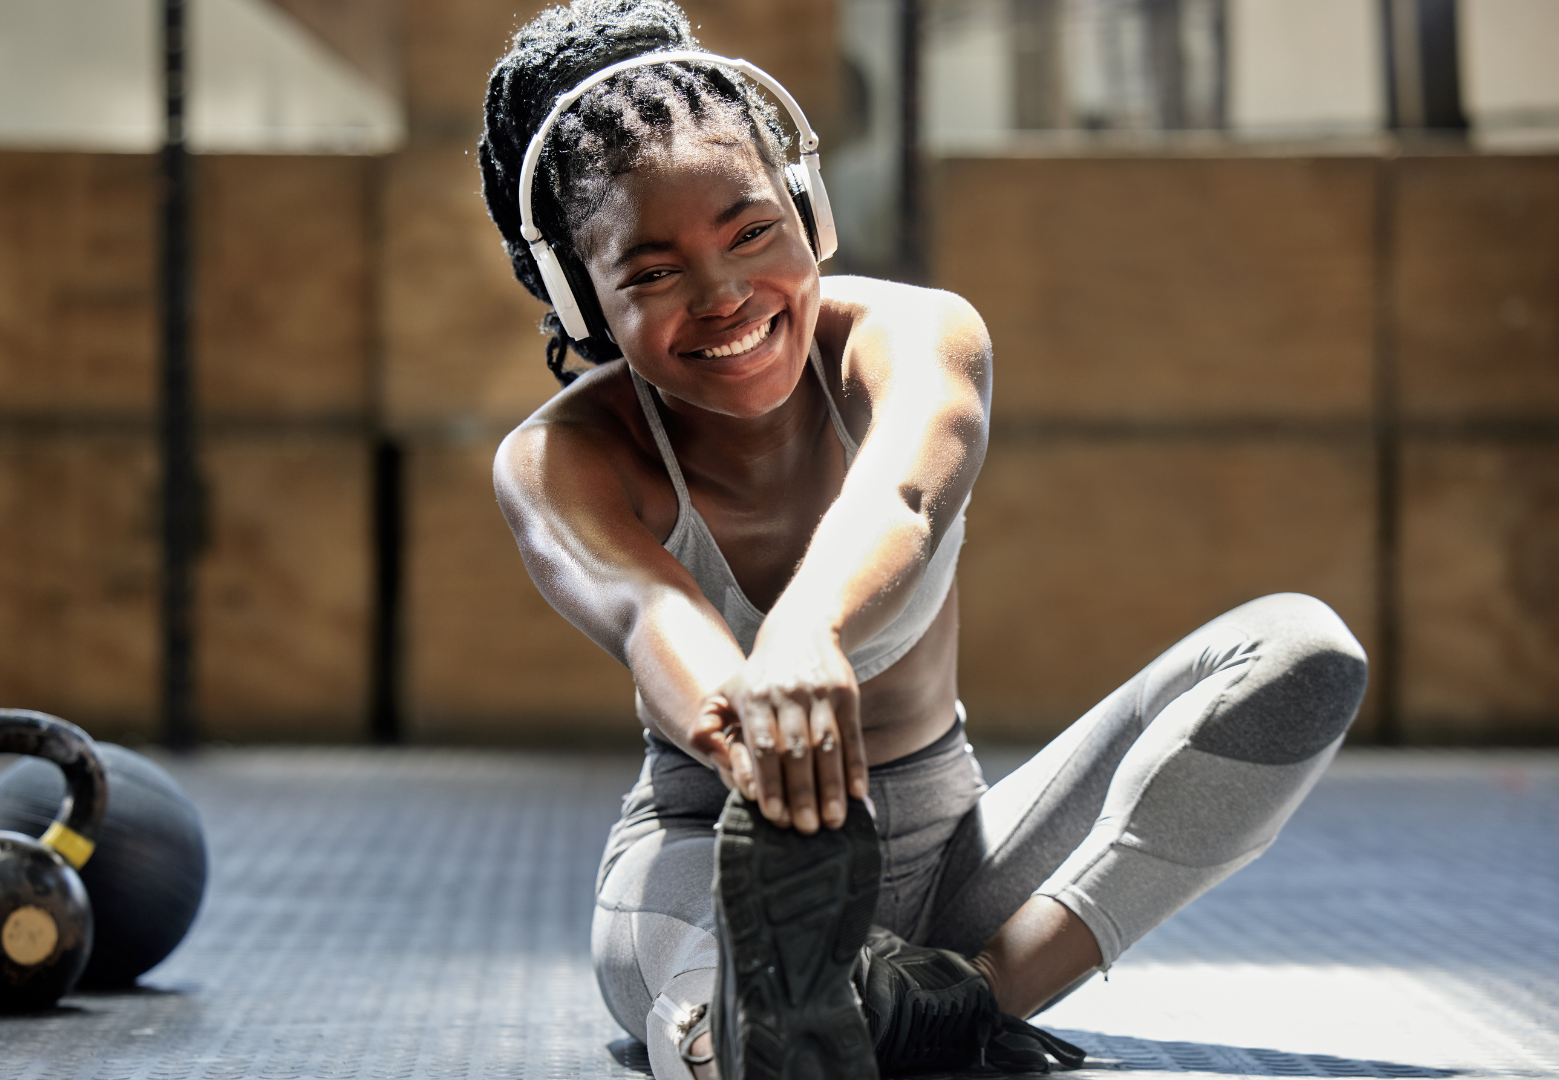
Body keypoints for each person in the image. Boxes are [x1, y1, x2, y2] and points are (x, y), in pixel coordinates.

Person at [477, 3, 1368, 1078]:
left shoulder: (913, 335)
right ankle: (780, 1014)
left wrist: (807, 633)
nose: (723, 296)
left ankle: (961, 997)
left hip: (953, 862)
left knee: (1301, 654)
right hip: (707, 863)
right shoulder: (558, 458)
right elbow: (650, 611)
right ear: (582, 300)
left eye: (753, 230)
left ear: (809, 208)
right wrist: (759, 735)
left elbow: (900, 497)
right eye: (653, 273)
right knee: (730, 1036)